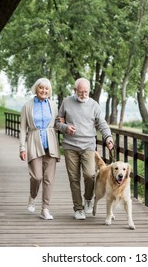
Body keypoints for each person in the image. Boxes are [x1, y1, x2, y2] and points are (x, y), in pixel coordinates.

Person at [56, 77, 114, 220]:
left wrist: (108, 137)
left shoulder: (94, 105)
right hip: (70, 146)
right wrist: (65, 128)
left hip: (88, 145)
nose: (83, 95)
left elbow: (102, 124)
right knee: (74, 178)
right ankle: (78, 208)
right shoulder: (66, 102)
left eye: (86, 92)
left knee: (89, 175)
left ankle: (88, 198)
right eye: (80, 92)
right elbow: (58, 122)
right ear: (75, 90)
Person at [19, 77, 60, 220]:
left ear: (49, 91)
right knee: (37, 176)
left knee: (49, 178)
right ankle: (32, 196)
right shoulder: (27, 106)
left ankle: (45, 209)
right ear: (36, 89)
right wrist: (22, 148)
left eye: (47, 89)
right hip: (34, 142)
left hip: (51, 144)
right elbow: (23, 129)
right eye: (41, 88)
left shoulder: (53, 105)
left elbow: (57, 123)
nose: (44, 91)